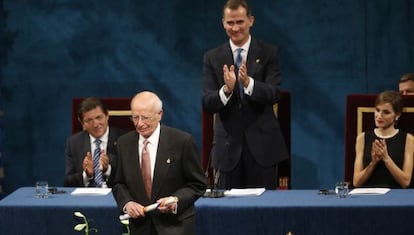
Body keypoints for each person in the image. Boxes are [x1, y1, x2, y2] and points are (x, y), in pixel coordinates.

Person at [202, 0, 289, 190]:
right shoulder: (212, 57)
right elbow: (208, 102)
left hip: (262, 149)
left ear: (251, 20)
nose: (235, 28)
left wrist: (248, 83)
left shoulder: (268, 53)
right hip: (227, 149)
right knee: (226, 214)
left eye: (240, 22)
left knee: (264, 212)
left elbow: (274, 94)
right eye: (230, 23)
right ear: (223, 23)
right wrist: (227, 89)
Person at [112, 91, 207, 235]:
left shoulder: (182, 142)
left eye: (145, 118)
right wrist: (127, 203)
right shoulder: (123, 144)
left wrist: (176, 200)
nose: (140, 123)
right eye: (135, 117)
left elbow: (197, 184)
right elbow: (118, 183)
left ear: (160, 114)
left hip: (175, 226)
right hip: (139, 228)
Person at [353, 90, 414, 188]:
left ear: (397, 115)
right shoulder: (362, 138)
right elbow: (356, 182)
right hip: (368, 195)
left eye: (386, 112)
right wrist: (373, 163)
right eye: (377, 110)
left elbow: (405, 182)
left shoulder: (408, 139)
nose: (379, 116)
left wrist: (386, 158)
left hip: (397, 196)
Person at [64, 97, 125, 187]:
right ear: (82, 123)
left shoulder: (123, 140)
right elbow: (68, 182)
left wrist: (108, 169)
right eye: (89, 120)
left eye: (99, 117)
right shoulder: (73, 143)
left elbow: (129, 178)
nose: (95, 124)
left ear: (107, 116)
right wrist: (87, 174)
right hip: (86, 198)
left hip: (116, 196)